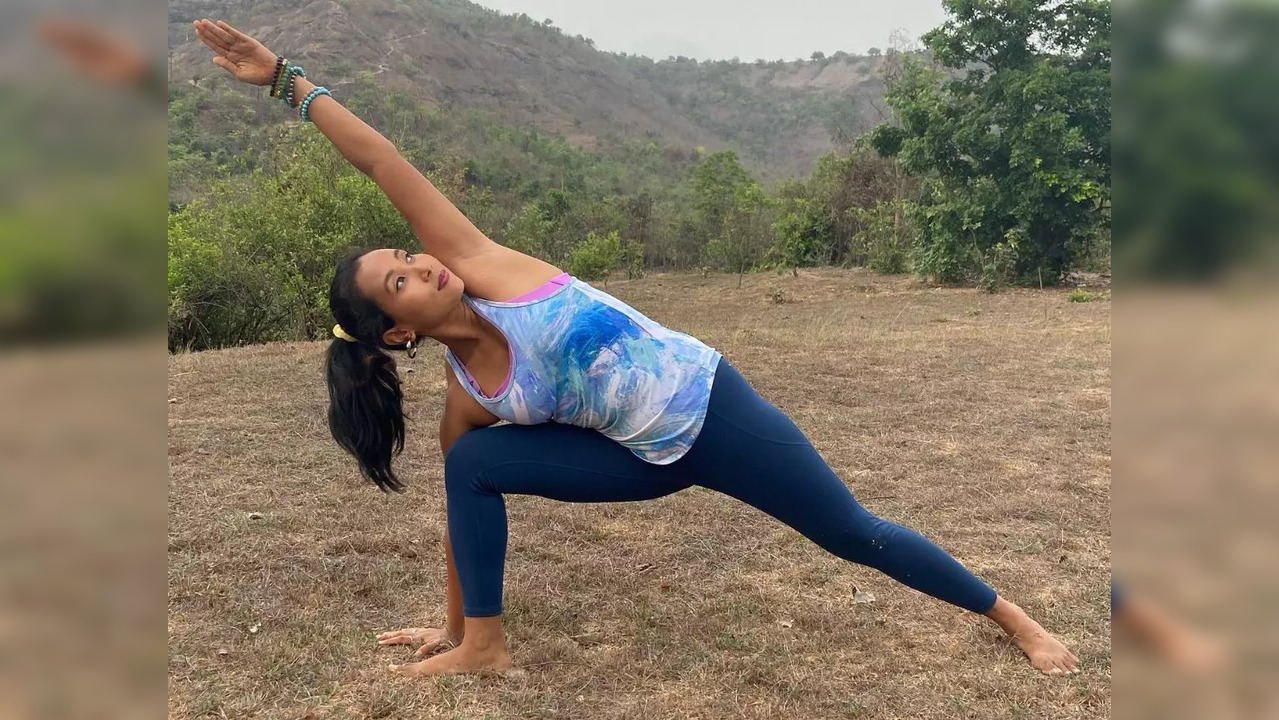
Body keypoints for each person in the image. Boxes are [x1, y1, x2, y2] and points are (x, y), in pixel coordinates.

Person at [192, 18, 1081, 678]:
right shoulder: (472, 395)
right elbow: (462, 523)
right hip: (643, 460)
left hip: (714, 410)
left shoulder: (484, 264)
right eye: (400, 282)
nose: (421, 266)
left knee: (854, 534)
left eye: (408, 257)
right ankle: (484, 651)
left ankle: (1012, 618)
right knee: (468, 467)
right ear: (397, 333)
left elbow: (382, 162)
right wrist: (453, 623)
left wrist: (288, 83)